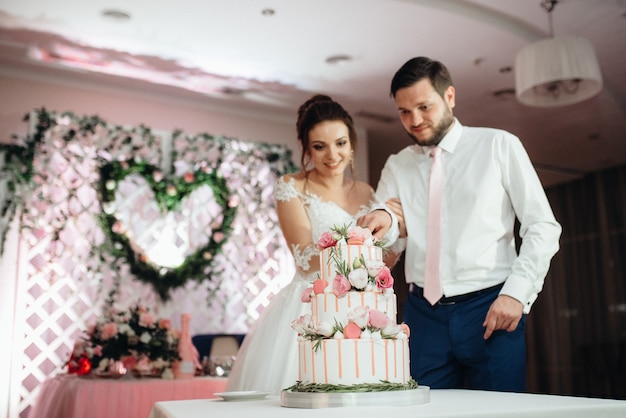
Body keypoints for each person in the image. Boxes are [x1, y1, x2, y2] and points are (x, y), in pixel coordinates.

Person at [358, 56, 561, 392]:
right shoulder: (398, 164)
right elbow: (391, 227)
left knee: (501, 415)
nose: (415, 120)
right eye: (404, 112)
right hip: (423, 314)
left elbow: (543, 226)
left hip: (491, 307)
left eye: (424, 106)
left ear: (449, 96)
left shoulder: (498, 145)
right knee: (423, 411)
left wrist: (516, 294)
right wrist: (386, 219)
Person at [225, 94, 398, 394]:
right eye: (320, 146)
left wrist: (394, 241)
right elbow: (304, 255)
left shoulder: (367, 191)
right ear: (307, 148)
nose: (332, 155)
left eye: (340, 143)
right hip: (310, 303)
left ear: (352, 143)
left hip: (358, 309)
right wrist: (358, 246)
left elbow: (384, 256)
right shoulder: (291, 186)